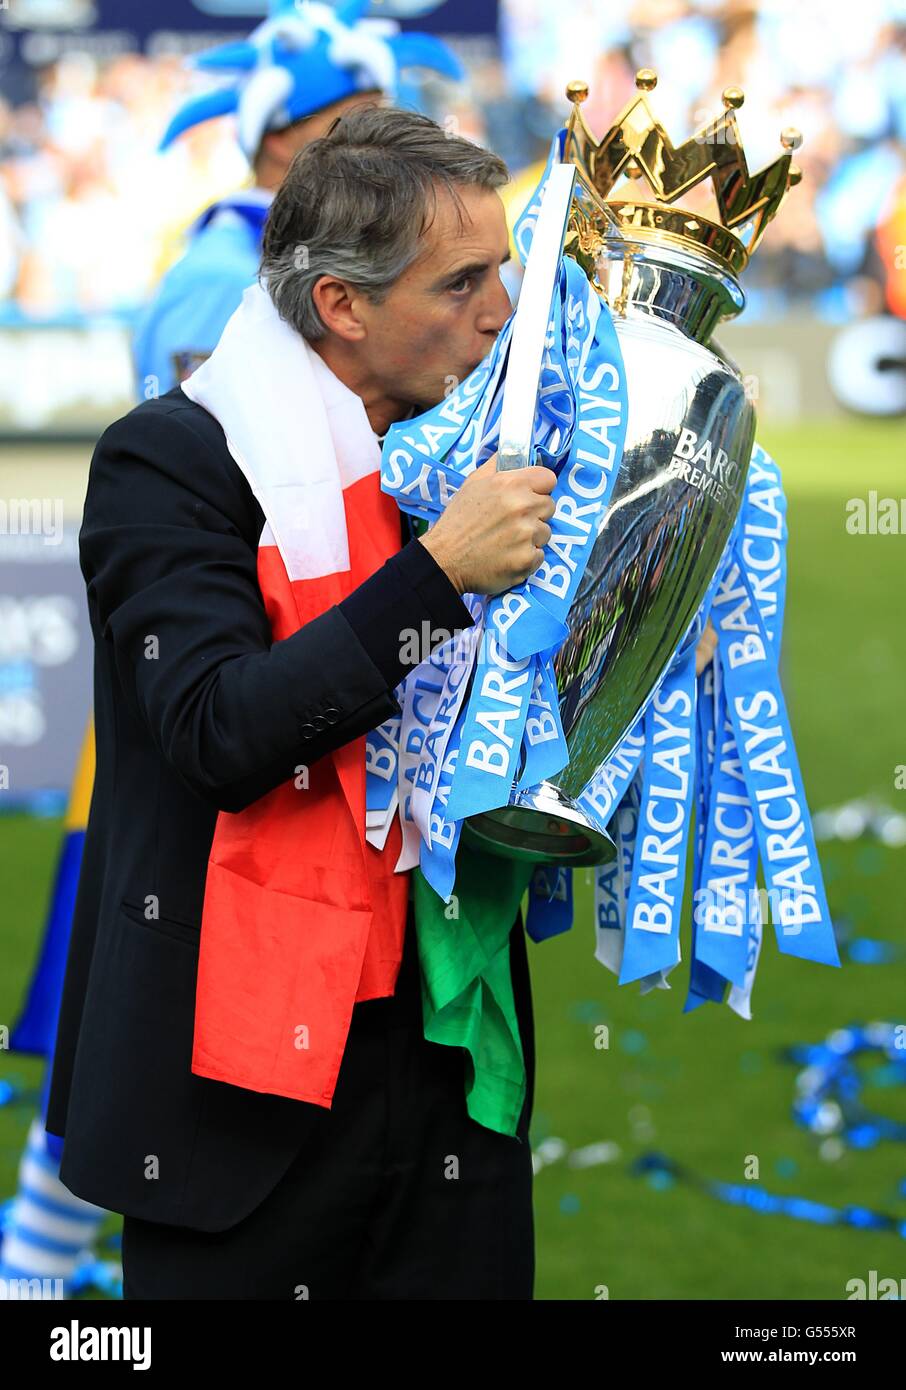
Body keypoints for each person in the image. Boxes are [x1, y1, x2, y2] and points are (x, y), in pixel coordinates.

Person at [45, 104, 557, 1301]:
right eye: (464, 283)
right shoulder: (171, 458)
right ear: (342, 306)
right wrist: (436, 579)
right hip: (237, 1091)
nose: (499, 316)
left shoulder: (466, 453)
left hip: (444, 1056)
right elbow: (222, 730)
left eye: (505, 276)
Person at [1, 1, 462, 1298]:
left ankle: (36, 1265)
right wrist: (429, 573)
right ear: (276, 148)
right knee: (134, 1042)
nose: (374, 148)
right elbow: (231, 666)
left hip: (352, 824)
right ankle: (34, 1278)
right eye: (342, 127)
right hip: (232, 765)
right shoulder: (217, 298)